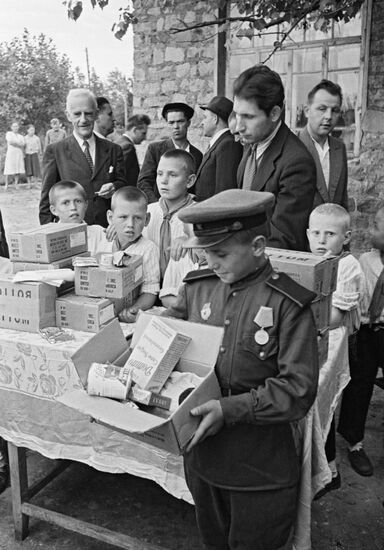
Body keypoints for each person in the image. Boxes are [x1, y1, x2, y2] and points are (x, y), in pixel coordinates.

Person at [163, 189, 318, 550]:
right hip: (203, 458)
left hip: (259, 470)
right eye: (205, 254)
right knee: (213, 540)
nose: (211, 263)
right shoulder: (200, 288)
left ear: (259, 245)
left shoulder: (288, 304)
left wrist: (230, 409)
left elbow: (297, 390)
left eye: (220, 253)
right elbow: (181, 349)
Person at [307, 203, 365, 498]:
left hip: (331, 344)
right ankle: (318, 468)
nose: (321, 240)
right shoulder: (307, 261)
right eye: (315, 233)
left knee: (322, 402)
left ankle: (328, 472)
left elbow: (336, 317)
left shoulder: (348, 265)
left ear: (345, 237)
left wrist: (299, 318)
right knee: (311, 407)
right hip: (310, 342)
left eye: (329, 234)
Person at [235, 65, 316, 251]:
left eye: (248, 116)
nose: (239, 126)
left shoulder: (296, 163)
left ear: (274, 113)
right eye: (237, 114)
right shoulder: (252, 145)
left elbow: (282, 239)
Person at [337, 205, 384, 477]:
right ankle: (355, 442)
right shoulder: (365, 262)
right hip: (366, 331)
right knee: (359, 384)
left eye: (376, 226)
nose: (370, 230)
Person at [39, 88, 126, 228]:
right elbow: (46, 202)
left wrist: (115, 186)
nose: (83, 120)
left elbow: (123, 185)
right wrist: (50, 236)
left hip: (109, 232)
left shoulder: (113, 150)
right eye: (77, 114)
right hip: (71, 233)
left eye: (89, 113)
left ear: (96, 114)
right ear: (68, 115)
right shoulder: (55, 151)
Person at [97, 187, 160, 323]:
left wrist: (135, 308)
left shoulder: (148, 249)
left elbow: (150, 289)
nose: (130, 224)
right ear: (110, 217)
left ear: (147, 219)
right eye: (123, 217)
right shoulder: (103, 245)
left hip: (129, 312)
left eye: (137, 218)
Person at [142, 149, 196, 280]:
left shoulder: (199, 215)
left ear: (189, 181)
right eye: (160, 174)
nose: (164, 181)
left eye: (172, 175)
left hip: (181, 290)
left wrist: (191, 240)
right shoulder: (146, 212)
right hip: (149, 287)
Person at [137, 102, 202, 203]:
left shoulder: (197, 155)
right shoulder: (155, 149)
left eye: (180, 121)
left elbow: (196, 187)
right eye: (171, 123)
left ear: (188, 123)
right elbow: (144, 183)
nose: (176, 126)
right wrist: (157, 206)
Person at [299, 80, 349, 211]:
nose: (328, 116)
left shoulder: (339, 147)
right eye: (322, 109)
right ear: (307, 111)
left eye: (335, 110)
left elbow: (342, 198)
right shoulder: (293, 146)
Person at [194, 96, 243, 202]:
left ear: (215, 119)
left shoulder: (228, 145)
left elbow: (224, 192)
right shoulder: (219, 143)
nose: (202, 122)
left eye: (205, 117)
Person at [48, 180, 105, 257]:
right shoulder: (49, 238)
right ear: (54, 210)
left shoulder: (99, 233)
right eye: (66, 203)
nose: (73, 207)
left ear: (86, 205)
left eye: (78, 201)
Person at [115, 114, 151, 186]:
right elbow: (121, 174)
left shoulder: (119, 142)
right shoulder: (128, 146)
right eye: (143, 133)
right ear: (134, 130)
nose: (145, 138)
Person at [3, 121, 25, 190]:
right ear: (11, 127)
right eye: (14, 126)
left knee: (17, 168)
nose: (15, 128)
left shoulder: (20, 136)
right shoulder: (9, 134)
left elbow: (23, 144)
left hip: (18, 153)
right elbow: (10, 142)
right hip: (11, 153)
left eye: (17, 126)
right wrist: (18, 143)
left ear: (18, 128)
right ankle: (6, 184)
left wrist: (16, 143)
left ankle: (16, 184)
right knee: (8, 168)